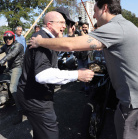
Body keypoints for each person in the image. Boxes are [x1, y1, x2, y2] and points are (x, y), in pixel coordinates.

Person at [29, 0, 138, 139]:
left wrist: (39, 42)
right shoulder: (124, 26)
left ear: (104, 8)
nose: (93, 16)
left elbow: (69, 45)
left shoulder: (115, 27)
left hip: (136, 104)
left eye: (95, 11)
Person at [17, 10, 94, 139]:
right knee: (50, 134)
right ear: (49, 25)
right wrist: (77, 75)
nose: (65, 26)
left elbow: (63, 45)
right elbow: (42, 75)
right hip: (36, 99)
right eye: (62, 23)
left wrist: (68, 36)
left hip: (34, 95)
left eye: (66, 24)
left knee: (40, 132)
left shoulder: (47, 38)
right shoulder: (42, 40)